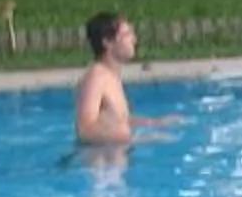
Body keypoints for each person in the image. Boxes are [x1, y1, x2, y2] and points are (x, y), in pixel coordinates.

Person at [73, 10, 172, 145]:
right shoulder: (96, 78)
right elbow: (85, 129)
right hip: (100, 157)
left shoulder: (110, 77)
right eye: (127, 35)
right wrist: (134, 139)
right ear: (107, 42)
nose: (134, 40)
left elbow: (115, 120)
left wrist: (153, 122)